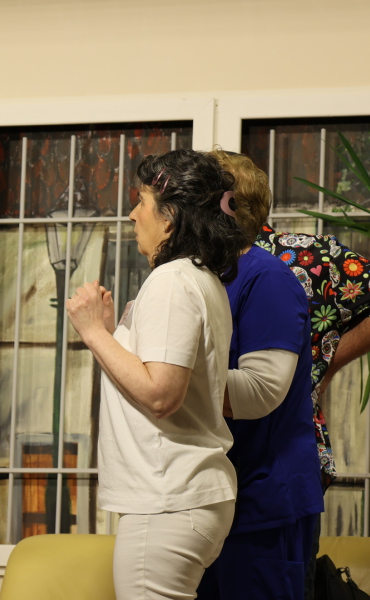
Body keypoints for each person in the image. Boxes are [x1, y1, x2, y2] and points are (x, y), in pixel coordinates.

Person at [207, 149, 370, 599]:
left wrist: (328, 359)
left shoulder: (306, 255)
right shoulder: (203, 264)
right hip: (219, 460)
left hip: (275, 464)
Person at [65, 150, 247, 599]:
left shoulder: (173, 281)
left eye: (142, 202)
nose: (132, 214)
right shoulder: (199, 279)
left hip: (169, 500)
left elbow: (162, 394)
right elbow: (155, 376)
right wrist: (113, 337)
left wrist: (93, 333)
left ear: (170, 219)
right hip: (181, 498)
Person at [196, 157, 322, 600]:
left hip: (263, 501)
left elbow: (261, 390)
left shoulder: (266, 279)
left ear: (224, 206)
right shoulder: (205, 277)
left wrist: (167, 382)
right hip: (214, 497)